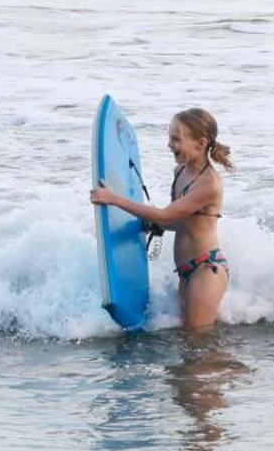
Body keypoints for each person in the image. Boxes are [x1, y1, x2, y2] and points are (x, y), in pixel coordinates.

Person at [91, 108, 233, 329]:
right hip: (187, 271)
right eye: (169, 137)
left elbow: (165, 214)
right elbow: (179, 220)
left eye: (176, 139)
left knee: (199, 342)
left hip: (206, 270)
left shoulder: (209, 184)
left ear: (201, 143)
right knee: (191, 344)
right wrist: (156, 225)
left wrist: (113, 199)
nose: (169, 144)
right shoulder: (181, 172)